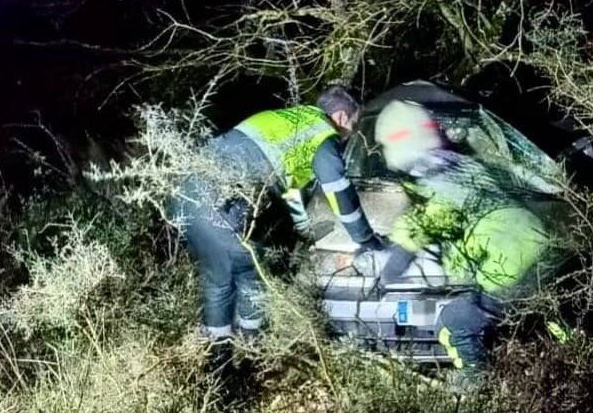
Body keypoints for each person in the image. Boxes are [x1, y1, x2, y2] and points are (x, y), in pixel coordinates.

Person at [168, 87, 384, 366]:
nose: (351, 133)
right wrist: (366, 240)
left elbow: (290, 189)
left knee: (221, 276)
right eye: (354, 124)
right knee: (248, 271)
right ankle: (243, 358)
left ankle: (220, 358)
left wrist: (303, 229)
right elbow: (340, 191)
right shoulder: (322, 134)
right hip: (218, 201)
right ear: (342, 117)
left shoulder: (292, 120)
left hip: (186, 194)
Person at [373, 99, 568, 389]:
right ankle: (585, 350)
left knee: (454, 321)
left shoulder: (437, 193)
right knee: (548, 307)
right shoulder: (469, 166)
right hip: (548, 250)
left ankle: (477, 384)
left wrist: (383, 278)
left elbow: (411, 237)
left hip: (512, 268)